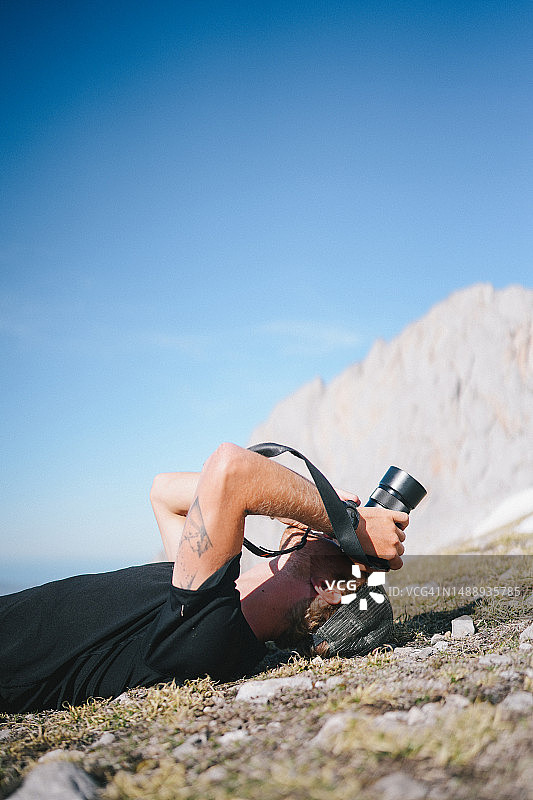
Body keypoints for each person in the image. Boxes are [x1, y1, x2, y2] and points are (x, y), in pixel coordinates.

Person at [0, 443, 407, 713]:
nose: (327, 534)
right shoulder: (201, 594)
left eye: (340, 550)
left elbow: (231, 469)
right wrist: (308, 512)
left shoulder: (212, 634)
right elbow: (165, 495)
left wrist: (347, 523)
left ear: (330, 591)